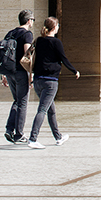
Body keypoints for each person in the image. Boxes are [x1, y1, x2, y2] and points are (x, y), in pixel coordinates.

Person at [27, 16, 79, 147]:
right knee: (42, 110)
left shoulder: (39, 41)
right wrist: (74, 71)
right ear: (55, 27)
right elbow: (63, 59)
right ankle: (32, 139)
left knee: (51, 110)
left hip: (38, 80)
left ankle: (58, 137)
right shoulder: (56, 42)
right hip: (50, 81)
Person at [0, 10, 36, 144]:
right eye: (32, 20)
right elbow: (27, 55)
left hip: (9, 71)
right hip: (20, 72)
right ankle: (19, 134)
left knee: (17, 100)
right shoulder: (27, 34)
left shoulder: (10, 33)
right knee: (22, 102)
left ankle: (9, 129)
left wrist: (3, 75)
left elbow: (3, 54)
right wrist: (31, 74)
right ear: (29, 20)